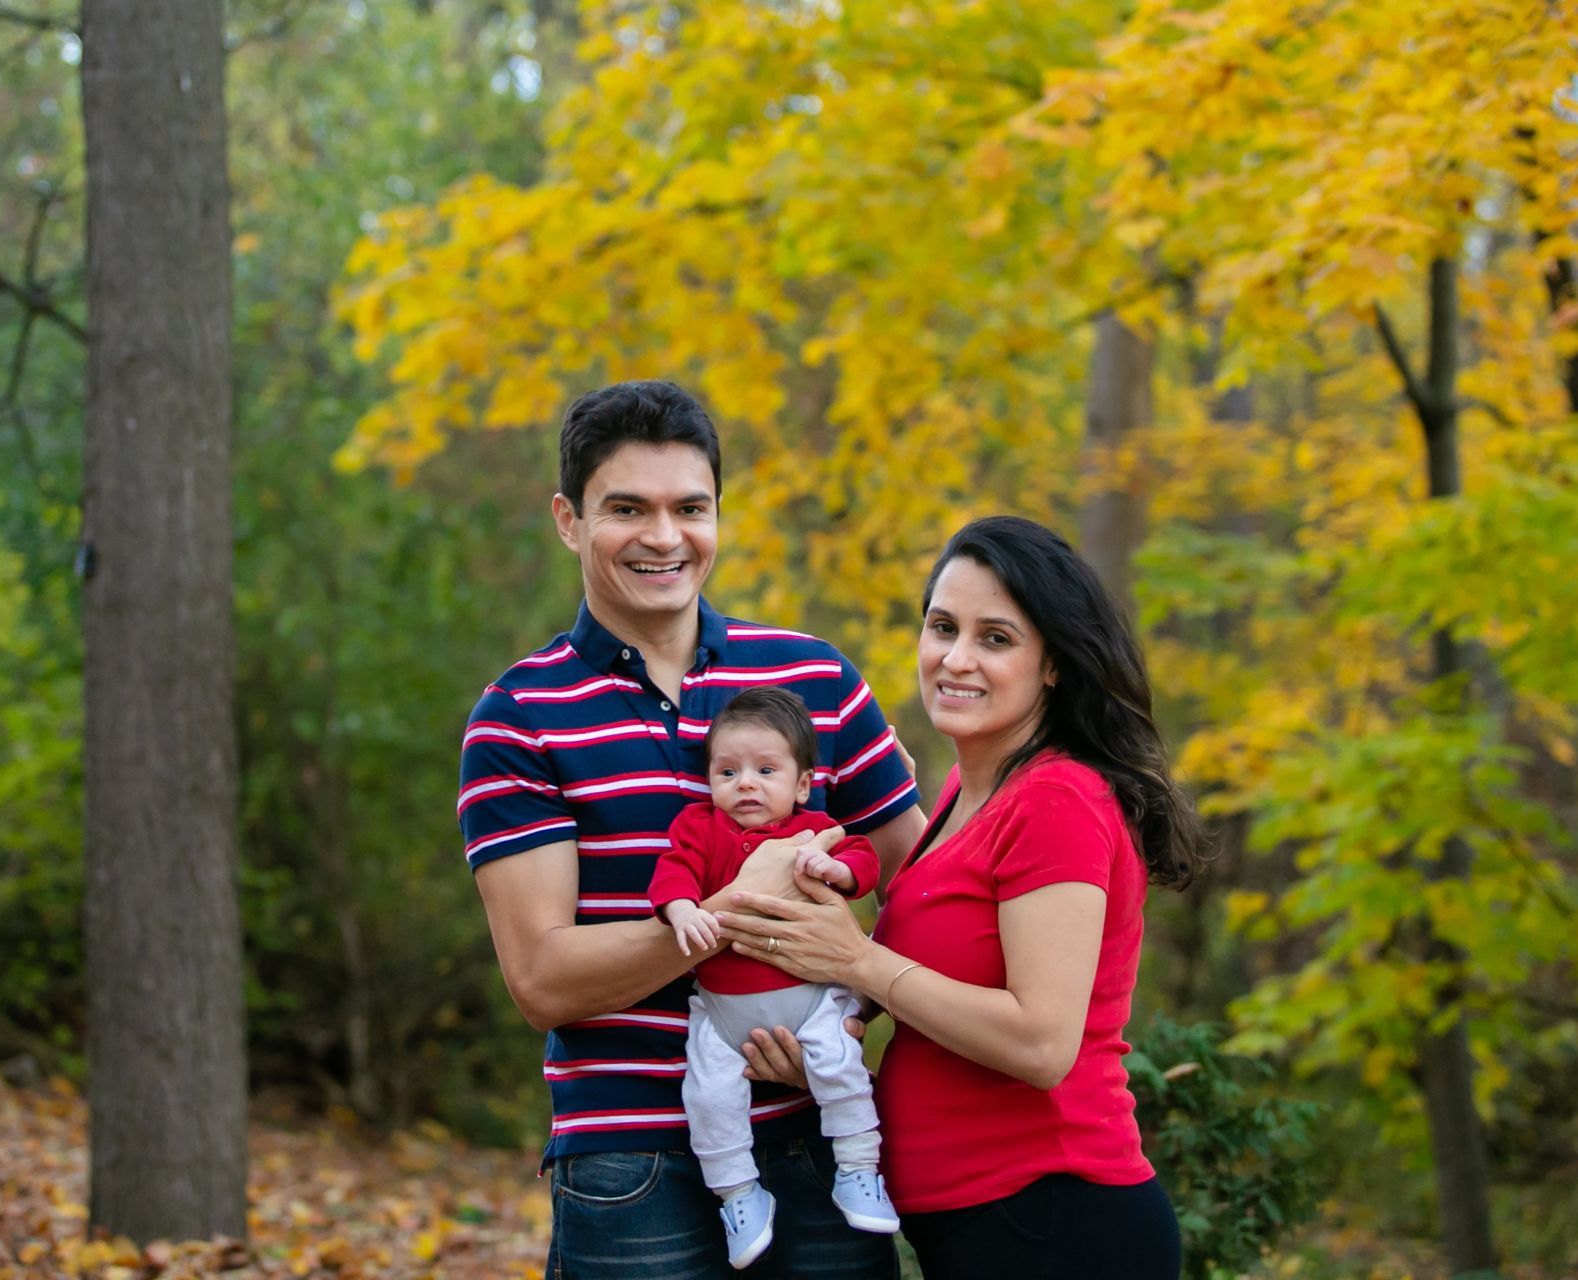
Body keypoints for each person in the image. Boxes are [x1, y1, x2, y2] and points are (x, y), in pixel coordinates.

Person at [457, 380, 924, 1278]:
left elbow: (924, 888)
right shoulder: (520, 716)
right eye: (627, 508)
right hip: (631, 1157)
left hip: (818, 1140)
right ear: (568, 519)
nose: (665, 537)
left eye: (690, 508)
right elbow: (544, 981)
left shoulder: (816, 678)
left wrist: (847, 1010)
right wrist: (733, 911)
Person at [718, 515, 1203, 1280]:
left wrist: (859, 961)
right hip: (981, 1228)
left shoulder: (1056, 801)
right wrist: (822, 1053)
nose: (956, 658)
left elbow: (1041, 1045)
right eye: (942, 626)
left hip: (1055, 1220)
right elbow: (945, 1033)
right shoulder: (959, 797)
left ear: (1053, 664)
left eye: (996, 638)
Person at [649, 687, 900, 1269]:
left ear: (803, 783)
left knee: (841, 1065)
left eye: (765, 770)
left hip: (810, 1002)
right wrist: (683, 909)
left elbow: (865, 860)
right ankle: (739, 1195)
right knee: (708, 1095)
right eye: (728, 771)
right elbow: (672, 874)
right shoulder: (698, 828)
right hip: (722, 1009)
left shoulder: (813, 830)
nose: (746, 784)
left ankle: (859, 1171)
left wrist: (835, 868)